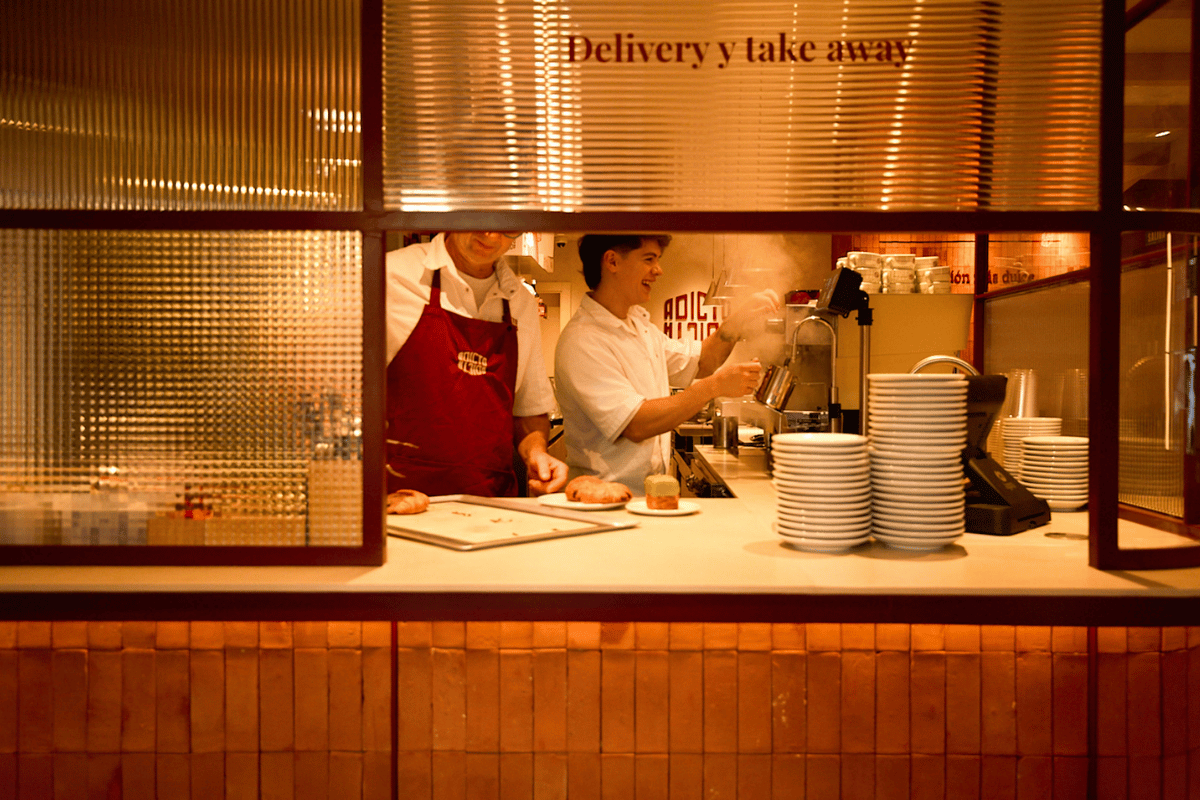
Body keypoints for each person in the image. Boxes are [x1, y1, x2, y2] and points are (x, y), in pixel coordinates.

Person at [554, 234, 780, 492]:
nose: (658, 270)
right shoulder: (584, 339)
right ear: (612, 261)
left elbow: (701, 362)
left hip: (647, 495)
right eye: (649, 259)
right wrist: (714, 387)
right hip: (601, 498)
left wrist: (735, 324)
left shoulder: (639, 325)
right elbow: (634, 424)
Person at [385, 231, 569, 498]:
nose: (491, 234)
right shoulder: (389, 276)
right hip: (400, 503)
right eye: (480, 216)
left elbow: (528, 410)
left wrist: (537, 453)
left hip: (491, 506)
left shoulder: (521, 303)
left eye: (508, 225)